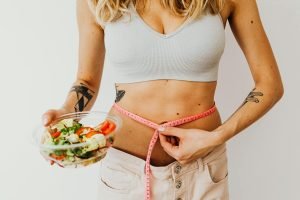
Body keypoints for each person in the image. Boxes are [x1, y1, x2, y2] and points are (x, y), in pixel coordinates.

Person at [42, 0, 284, 199]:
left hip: (203, 171)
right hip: (125, 173)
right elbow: (87, 81)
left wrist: (215, 137)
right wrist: (66, 112)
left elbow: (270, 85)